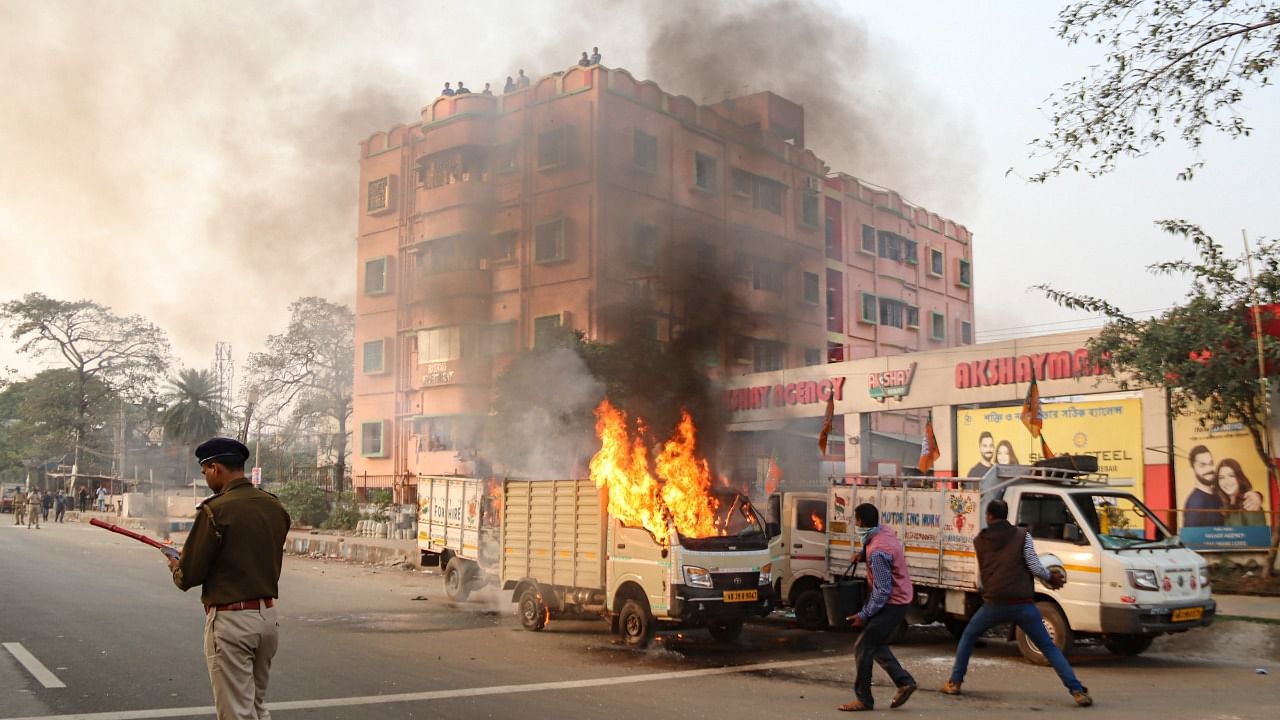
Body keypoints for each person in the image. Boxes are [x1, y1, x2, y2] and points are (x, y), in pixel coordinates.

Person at [168, 437, 292, 720]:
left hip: (232, 622)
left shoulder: (215, 510)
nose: (206, 477)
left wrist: (176, 564)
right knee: (257, 707)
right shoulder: (275, 507)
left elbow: (188, 576)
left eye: (205, 472)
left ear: (215, 468)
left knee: (236, 712)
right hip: (267, 618)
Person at [943, 499, 1092, 706]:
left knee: (968, 637)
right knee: (1048, 647)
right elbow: (1034, 566)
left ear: (989, 516)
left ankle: (954, 682)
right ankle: (1077, 691)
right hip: (1022, 604)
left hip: (994, 603)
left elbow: (986, 569)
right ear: (1006, 514)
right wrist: (1050, 577)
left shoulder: (980, 540)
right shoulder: (1022, 536)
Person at [837, 503, 917, 712]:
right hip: (900, 597)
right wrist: (862, 555)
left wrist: (864, 614)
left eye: (855, 521)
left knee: (863, 646)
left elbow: (882, 591)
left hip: (893, 602)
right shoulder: (882, 533)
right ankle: (904, 682)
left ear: (861, 522)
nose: (855, 524)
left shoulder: (878, 551)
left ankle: (864, 699)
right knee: (875, 643)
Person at [1216, 458, 1266, 526]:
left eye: (1231, 476)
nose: (1226, 482)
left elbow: (1258, 535)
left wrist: (1258, 496)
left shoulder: (1250, 505)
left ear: (1239, 477)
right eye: (1221, 477)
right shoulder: (1220, 504)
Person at [1183, 445, 1223, 526]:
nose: (1209, 469)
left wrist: (1256, 495)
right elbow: (1190, 537)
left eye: (1211, 463)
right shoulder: (1195, 503)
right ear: (1193, 469)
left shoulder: (1219, 492)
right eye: (1202, 465)